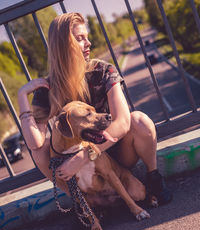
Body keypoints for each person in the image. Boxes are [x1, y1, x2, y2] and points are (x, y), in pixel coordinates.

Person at [18, 12, 172, 205]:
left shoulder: (103, 71)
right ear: (64, 46)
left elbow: (123, 123)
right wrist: (22, 96)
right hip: (73, 164)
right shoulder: (47, 88)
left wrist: (85, 155)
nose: (88, 43)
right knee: (39, 153)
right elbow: (34, 143)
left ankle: (153, 178)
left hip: (115, 151)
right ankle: (82, 202)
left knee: (139, 120)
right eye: (80, 39)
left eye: (87, 37)